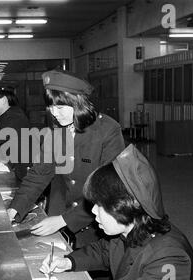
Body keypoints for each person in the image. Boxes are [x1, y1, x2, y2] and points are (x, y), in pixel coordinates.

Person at [40, 144, 193, 280]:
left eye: (100, 205)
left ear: (125, 206)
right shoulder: (131, 228)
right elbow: (104, 251)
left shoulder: (169, 257)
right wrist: (69, 261)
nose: (93, 211)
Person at [7, 69, 125, 247]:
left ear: (79, 103)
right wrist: (15, 209)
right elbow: (39, 173)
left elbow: (109, 189)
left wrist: (64, 220)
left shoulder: (108, 131)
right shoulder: (58, 131)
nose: (54, 113)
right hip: (59, 216)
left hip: (97, 225)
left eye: (60, 107)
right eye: (51, 107)